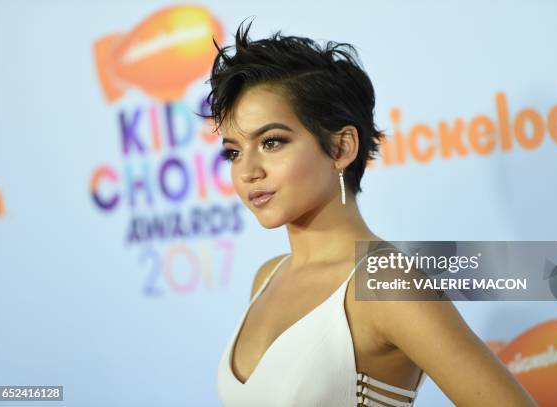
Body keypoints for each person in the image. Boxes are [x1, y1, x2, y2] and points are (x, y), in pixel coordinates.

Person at [202, 19, 537, 407]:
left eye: (272, 142)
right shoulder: (268, 275)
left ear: (342, 147)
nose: (248, 171)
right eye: (234, 151)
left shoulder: (384, 282)